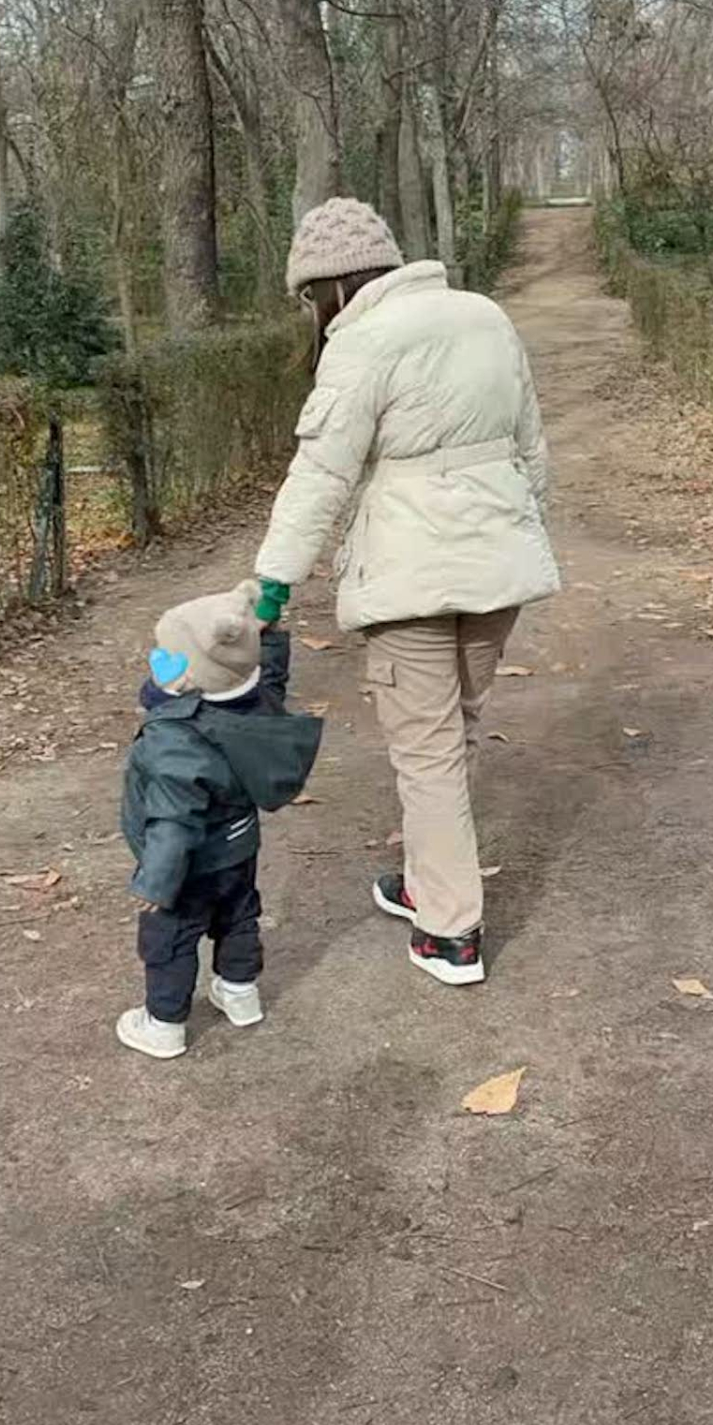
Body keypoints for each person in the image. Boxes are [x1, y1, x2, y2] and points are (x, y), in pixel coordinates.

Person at [254, 196, 559, 987]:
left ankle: (449, 931)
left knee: (425, 753)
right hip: (497, 569)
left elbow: (320, 474)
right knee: (450, 732)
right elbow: (531, 447)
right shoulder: (483, 315)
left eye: (310, 299)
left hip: (409, 577)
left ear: (330, 287)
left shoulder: (361, 341)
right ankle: (429, 880)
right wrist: (521, 533)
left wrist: (272, 583)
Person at [118, 579, 322, 1059]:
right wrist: (266, 633)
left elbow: (172, 821)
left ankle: (164, 1022)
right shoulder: (257, 704)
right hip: (238, 845)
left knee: (170, 936)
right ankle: (239, 991)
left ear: (189, 678)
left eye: (168, 654)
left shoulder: (176, 740)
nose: (158, 658)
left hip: (188, 864)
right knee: (238, 915)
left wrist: (155, 883)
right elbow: (268, 672)